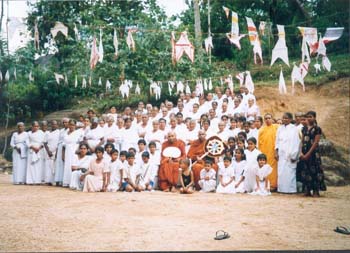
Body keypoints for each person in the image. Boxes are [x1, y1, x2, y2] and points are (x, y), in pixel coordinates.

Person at [300, 111, 326, 197]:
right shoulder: (304, 128)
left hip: (313, 153)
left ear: (314, 118)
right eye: (307, 117)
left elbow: (315, 143)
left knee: (315, 171)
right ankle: (307, 190)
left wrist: (308, 154)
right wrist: (300, 152)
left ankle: (315, 191)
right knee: (306, 170)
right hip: (304, 152)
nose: (308, 118)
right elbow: (302, 141)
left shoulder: (317, 129)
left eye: (310, 117)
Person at [275, 112, 300, 193]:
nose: (284, 119)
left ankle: (290, 190)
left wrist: (294, 155)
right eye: (283, 118)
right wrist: (276, 152)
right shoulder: (280, 128)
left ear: (290, 119)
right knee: (281, 172)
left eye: (286, 118)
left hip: (290, 154)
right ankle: (281, 189)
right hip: (281, 154)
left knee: (290, 172)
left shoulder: (294, 129)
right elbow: (277, 141)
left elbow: (296, 143)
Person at [258, 113, 279, 191]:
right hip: (264, 152)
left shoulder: (277, 127)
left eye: (269, 118)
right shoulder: (262, 130)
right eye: (266, 118)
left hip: (273, 152)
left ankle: (274, 185)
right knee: (265, 169)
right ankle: (267, 185)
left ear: (272, 119)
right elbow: (259, 143)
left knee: (273, 170)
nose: (267, 120)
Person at [62, 119, 84, 187]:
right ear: (68, 125)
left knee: (73, 165)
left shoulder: (78, 133)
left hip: (74, 150)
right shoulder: (65, 133)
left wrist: (78, 150)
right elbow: (63, 145)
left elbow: (81, 142)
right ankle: (67, 182)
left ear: (75, 125)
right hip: (67, 151)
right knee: (67, 166)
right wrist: (62, 154)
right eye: (70, 124)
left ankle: (74, 183)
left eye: (73, 125)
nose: (72, 126)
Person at [43, 120, 60, 184]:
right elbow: (44, 143)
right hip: (48, 152)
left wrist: (56, 152)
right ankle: (48, 181)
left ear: (57, 125)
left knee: (55, 166)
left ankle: (55, 181)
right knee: (48, 166)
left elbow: (59, 143)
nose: (54, 125)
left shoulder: (59, 132)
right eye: (52, 124)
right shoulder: (48, 133)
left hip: (56, 151)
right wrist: (48, 152)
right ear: (50, 125)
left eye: (55, 124)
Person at [54, 118, 69, 186]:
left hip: (66, 147)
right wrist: (57, 152)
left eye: (66, 122)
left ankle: (64, 180)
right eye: (64, 122)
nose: (65, 124)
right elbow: (58, 141)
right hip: (60, 147)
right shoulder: (61, 131)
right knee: (59, 163)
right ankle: (58, 180)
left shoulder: (70, 130)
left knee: (65, 163)